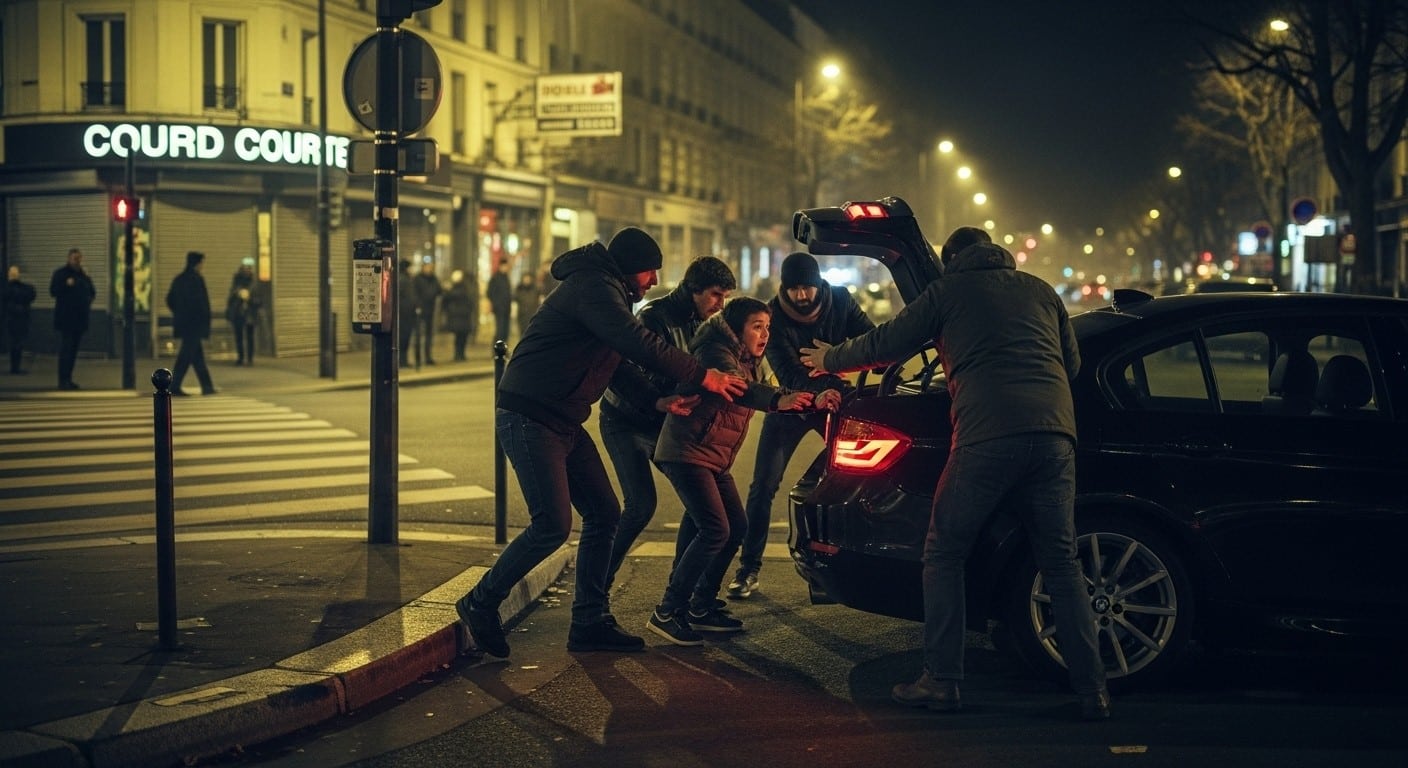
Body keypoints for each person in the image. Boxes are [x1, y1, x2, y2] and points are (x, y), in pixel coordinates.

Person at [799, 226, 1108, 720]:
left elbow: (887, 343)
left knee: (944, 553)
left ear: (951, 260)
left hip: (987, 438)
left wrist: (828, 358)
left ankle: (942, 681)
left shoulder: (948, 291)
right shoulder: (1040, 290)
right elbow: (1070, 364)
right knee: (1062, 564)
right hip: (1054, 439)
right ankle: (1093, 690)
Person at [454, 227, 747, 659]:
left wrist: (657, 400)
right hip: (529, 415)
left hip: (564, 419)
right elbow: (636, 343)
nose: (652, 281)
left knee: (605, 513)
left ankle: (589, 620)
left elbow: (617, 363)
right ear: (631, 267)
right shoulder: (592, 287)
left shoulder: (608, 292)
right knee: (551, 525)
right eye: (649, 271)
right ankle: (480, 602)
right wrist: (702, 374)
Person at [647, 297, 829, 645]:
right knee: (715, 528)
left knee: (736, 528)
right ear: (736, 328)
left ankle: (700, 605)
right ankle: (668, 610)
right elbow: (740, 390)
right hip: (688, 451)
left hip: (711, 456)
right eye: (756, 326)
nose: (765, 334)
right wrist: (779, 400)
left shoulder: (748, 359)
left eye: (768, 327)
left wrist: (812, 398)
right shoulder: (715, 351)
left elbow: (766, 390)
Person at [728, 251, 870, 599]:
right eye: (794, 290)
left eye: (807, 287)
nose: (802, 296)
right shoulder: (771, 315)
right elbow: (789, 371)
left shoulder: (840, 300)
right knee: (763, 486)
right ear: (783, 289)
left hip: (833, 402)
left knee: (851, 480)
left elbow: (870, 340)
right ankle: (748, 568)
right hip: (790, 403)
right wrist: (828, 382)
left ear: (820, 284)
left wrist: (835, 355)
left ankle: (838, 569)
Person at [600, 255, 736, 597]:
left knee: (700, 502)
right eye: (716, 295)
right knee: (640, 505)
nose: (720, 305)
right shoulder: (654, 317)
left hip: (665, 422)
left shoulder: (705, 323)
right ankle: (597, 585)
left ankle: (682, 588)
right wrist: (669, 395)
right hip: (627, 420)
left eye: (725, 298)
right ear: (693, 289)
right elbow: (630, 372)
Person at [166, 250, 217, 396]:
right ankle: (175, 385)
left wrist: (179, 312)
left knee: (196, 357)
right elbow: (201, 304)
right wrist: (203, 320)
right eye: (201, 263)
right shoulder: (196, 280)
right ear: (196, 264)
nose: (202, 266)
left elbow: (170, 300)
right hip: (194, 325)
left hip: (184, 324)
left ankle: (207, 386)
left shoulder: (179, 279)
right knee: (186, 356)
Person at [49, 247, 95, 390]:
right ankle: (63, 380)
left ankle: (68, 378)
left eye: (79, 258)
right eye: (75, 258)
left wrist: (87, 300)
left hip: (80, 318)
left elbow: (92, 291)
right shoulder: (61, 274)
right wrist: (65, 284)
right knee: (66, 349)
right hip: (66, 318)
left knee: (73, 350)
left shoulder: (83, 275)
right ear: (69, 258)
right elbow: (53, 291)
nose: (77, 261)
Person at [225, 258, 261, 366]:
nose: (246, 270)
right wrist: (238, 294)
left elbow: (259, 300)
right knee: (239, 337)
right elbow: (230, 298)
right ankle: (240, 357)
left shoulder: (254, 283)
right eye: (244, 268)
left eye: (248, 268)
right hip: (238, 313)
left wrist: (249, 298)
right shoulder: (236, 282)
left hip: (250, 313)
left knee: (250, 337)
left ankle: (249, 358)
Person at [3, 265, 36, 374]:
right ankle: (15, 367)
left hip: (12, 319)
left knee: (15, 343)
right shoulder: (22, 288)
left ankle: (15, 367)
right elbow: (30, 294)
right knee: (17, 343)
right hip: (19, 319)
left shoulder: (7, 288)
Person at [441, 269, 476, 361]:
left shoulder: (457, 289)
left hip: (460, 315)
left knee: (461, 337)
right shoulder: (463, 289)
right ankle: (459, 355)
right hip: (459, 316)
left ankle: (460, 354)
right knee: (460, 337)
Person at [413, 259, 442, 364]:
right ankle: (418, 358)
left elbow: (439, 290)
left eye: (431, 267)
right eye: (427, 267)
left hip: (430, 309)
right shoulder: (417, 279)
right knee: (418, 335)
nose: (429, 269)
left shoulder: (434, 279)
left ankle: (428, 357)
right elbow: (415, 294)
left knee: (429, 335)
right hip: (420, 309)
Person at [486, 260, 513, 344]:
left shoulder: (506, 277)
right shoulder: (495, 278)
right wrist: (496, 303)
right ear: (501, 266)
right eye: (504, 266)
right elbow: (489, 292)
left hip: (507, 308)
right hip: (499, 308)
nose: (506, 268)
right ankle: (497, 349)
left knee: (505, 331)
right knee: (500, 331)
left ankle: (503, 349)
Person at [397, 259, 417, 368]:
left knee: (404, 338)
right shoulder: (403, 279)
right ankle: (402, 361)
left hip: (406, 313)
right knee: (404, 338)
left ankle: (403, 361)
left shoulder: (405, 279)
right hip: (405, 314)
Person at [513, 271, 540, 337]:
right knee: (522, 332)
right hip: (522, 314)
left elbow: (539, 300)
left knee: (531, 332)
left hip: (532, 313)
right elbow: (514, 298)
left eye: (528, 278)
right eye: (525, 278)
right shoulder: (519, 288)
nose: (526, 280)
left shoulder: (535, 288)